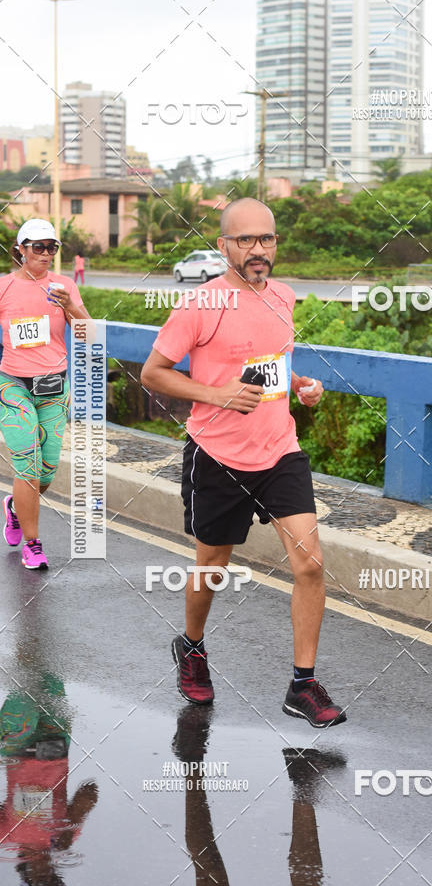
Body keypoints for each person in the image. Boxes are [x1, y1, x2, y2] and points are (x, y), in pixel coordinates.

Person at [141, 197, 346, 728]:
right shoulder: (200, 304)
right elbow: (153, 372)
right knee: (213, 566)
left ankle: (302, 685)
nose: (258, 249)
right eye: (246, 240)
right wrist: (217, 395)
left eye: (266, 238)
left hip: (279, 451)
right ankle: (191, 646)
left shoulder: (284, 296)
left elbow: (269, 362)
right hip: (218, 455)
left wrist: (300, 384)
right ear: (223, 245)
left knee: (310, 564)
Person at [0, 218, 92, 569]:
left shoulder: (63, 286)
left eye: (52, 247)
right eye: (38, 246)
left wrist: (72, 306)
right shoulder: (5, 287)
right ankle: (33, 544)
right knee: (28, 465)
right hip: (13, 385)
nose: (46, 253)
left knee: (47, 472)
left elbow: (88, 335)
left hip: (53, 387)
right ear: (20, 249)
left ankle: (14, 507)